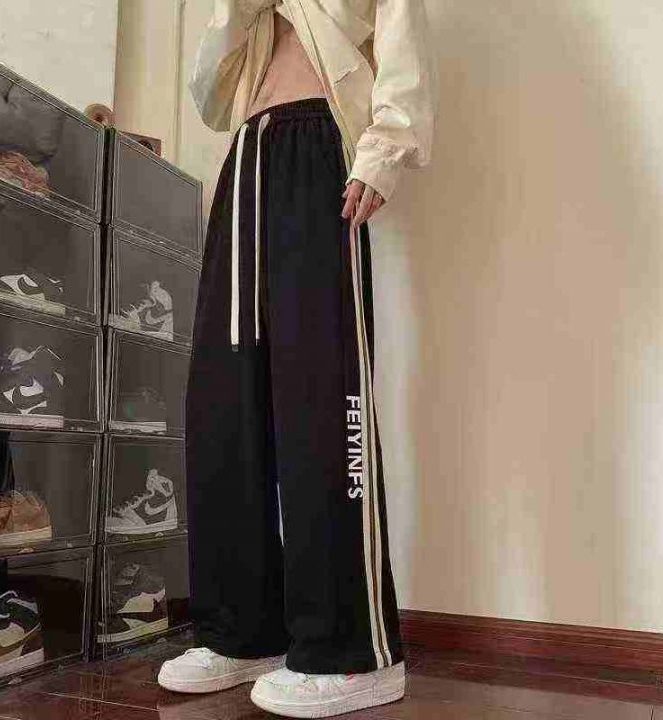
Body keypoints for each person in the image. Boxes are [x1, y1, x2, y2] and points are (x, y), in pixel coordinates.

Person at [158, 0, 437, 716]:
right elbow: (210, 94)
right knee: (224, 402)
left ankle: (352, 651)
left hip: (319, 149)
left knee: (322, 396)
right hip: (244, 157)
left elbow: (402, 38)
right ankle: (242, 631)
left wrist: (384, 150)